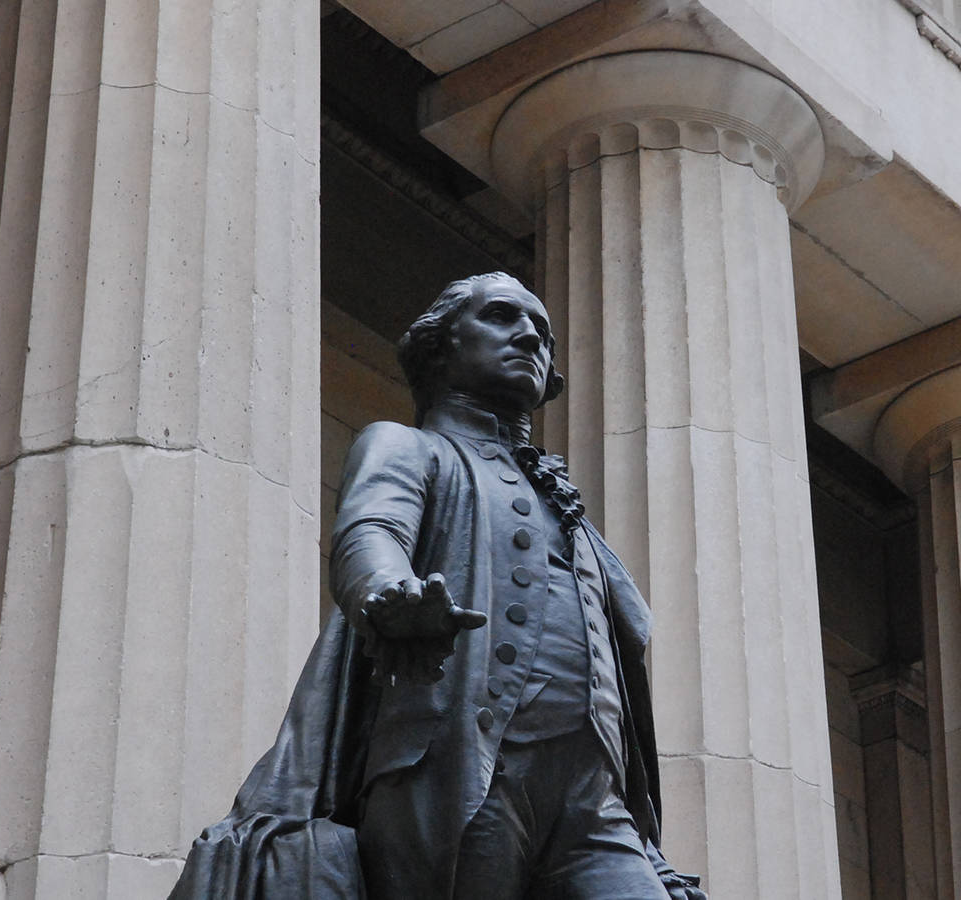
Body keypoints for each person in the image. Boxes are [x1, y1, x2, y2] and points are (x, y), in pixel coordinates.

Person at [170, 272, 704, 900]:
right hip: (458, 768)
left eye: (542, 331)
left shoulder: (566, 510)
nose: (530, 336)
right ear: (440, 346)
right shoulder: (409, 446)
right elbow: (371, 530)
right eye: (501, 316)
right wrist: (389, 595)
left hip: (595, 801)